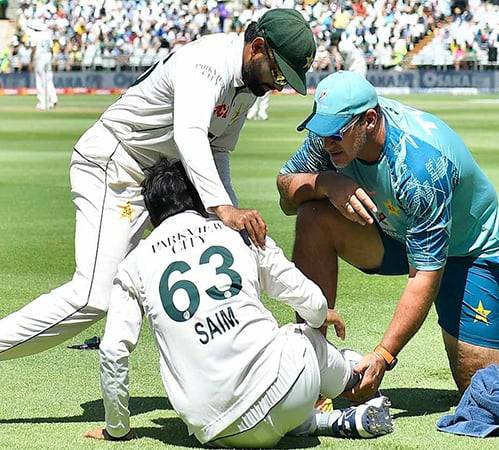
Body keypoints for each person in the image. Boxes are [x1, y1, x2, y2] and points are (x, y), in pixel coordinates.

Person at [0, 8, 316, 361]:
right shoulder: (207, 61)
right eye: (277, 72)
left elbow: (219, 150)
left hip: (163, 179)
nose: (278, 84)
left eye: (285, 79)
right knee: (93, 296)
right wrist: (223, 208)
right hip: (115, 166)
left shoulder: (246, 86)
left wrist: (228, 212)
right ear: (256, 47)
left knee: (232, 246)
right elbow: (190, 134)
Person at [83, 159, 393, 447]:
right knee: (303, 336)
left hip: (215, 430)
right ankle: (353, 381)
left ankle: (326, 421)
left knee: (264, 418)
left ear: (152, 216)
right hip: (287, 390)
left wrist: (117, 428)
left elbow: (113, 350)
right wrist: (322, 314)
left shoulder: (133, 264)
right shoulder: (238, 232)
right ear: (202, 197)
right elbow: (310, 300)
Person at [276, 71, 499, 397]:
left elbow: (424, 277)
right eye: (322, 132)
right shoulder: (331, 135)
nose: (326, 142)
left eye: (335, 133)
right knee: (313, 214)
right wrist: (326, 183)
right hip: (393, 228)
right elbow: (287, 194)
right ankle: (313, 362)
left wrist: (383, 355)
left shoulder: (419, 167)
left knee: (479, 385)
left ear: (370, 121)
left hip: (464, 248)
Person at [27, 18, 58, 110]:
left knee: (40, 80)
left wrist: (31, 61)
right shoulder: (48, 34)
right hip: (48, 56)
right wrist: (52, 59)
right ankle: (53, 99)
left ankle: (43, 103)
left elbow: (33, 49)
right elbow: (51, 49)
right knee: (48, 79)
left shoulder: (34, 35)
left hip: (39, 57)